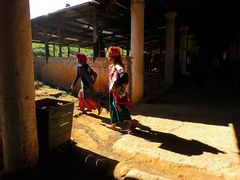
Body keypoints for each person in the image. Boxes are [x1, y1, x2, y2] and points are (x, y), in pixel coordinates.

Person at [106, 46, 136, 132]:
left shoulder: (118, 66)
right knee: (112, 106)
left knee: (119, 106)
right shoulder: (113, 65)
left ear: (113, 57)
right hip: (113, 91)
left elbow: (124, 76)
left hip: (116, 92)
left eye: (109, 56)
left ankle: (131, 124)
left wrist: (119, 86)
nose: (108, 58)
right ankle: (113, 124)